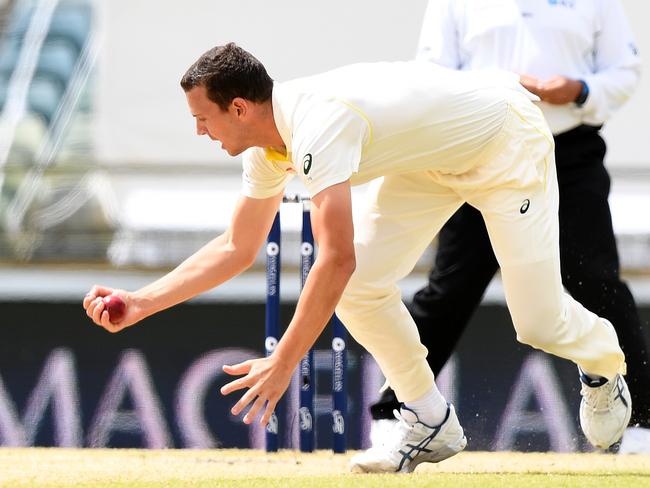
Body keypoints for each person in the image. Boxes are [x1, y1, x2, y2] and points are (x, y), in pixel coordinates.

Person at [83, 43, 632, 473]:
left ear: (240, 107)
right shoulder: (263, 148)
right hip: (429, 159)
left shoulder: (318, 125)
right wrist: (141, 301)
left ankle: (605, 365)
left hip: (504, 139)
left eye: (203, 118)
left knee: (536, 321)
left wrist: (284, 361)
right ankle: (428, 418)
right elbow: (237, 247)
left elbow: (335, 257)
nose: (199, 130)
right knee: (361, 286)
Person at [369, 0, 649, 454]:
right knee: (451, 288)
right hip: (481, 148)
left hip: (568, 152)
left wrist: (576, 89)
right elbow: (430, 76)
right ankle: (397, 410)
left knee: (597, 281)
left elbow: (624, 73)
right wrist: (494, 90)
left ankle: (640, 423)